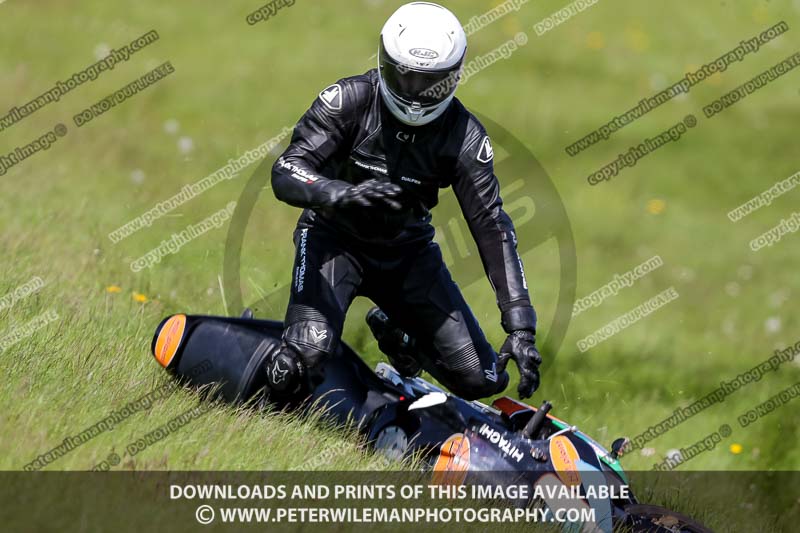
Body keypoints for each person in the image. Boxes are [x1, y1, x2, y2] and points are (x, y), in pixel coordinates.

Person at [266, 2, 541, 401]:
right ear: (383, 61)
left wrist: (521, 328)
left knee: (483, 380)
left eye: (431, 84)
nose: (415, 97)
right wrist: (344, 194)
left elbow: (492, 226)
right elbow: (287, 169)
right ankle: (289, 357)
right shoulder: (348, 100)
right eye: (405, 78)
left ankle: (401, 337)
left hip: (408, 255)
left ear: (456, 75)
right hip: (332, 239)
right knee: (304, 357)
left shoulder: (464, 137)